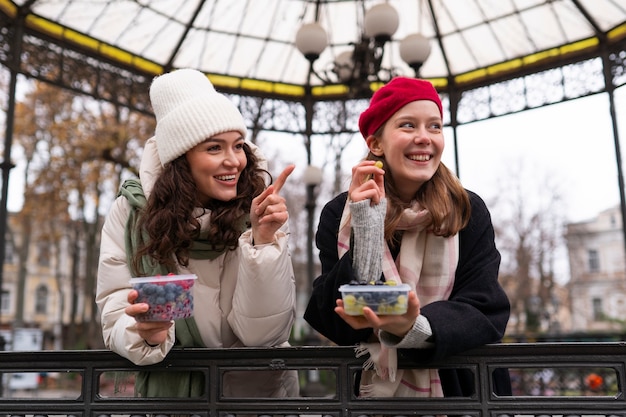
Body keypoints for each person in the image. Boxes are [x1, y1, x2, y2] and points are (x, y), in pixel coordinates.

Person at [96, 68, 299, 398]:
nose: (233, 161)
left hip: (257, 400)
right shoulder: (131, 214)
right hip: (173, 400)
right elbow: (116, 311)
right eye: (215, 148)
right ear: (181, 158)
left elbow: (264, 335)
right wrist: (145, 333)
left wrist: (263, 242)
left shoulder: (261, 209)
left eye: (237, 146)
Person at [304, 77, 511, 398]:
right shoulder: (339, 213)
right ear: (376, 143)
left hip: (462, 387)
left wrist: (412, 328)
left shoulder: (467, 208)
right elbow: (332, 318)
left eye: (435, 126)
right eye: (408, 125)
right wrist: (367, 224)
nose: (424, 138)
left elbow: (486, 308)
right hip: (373, 389)